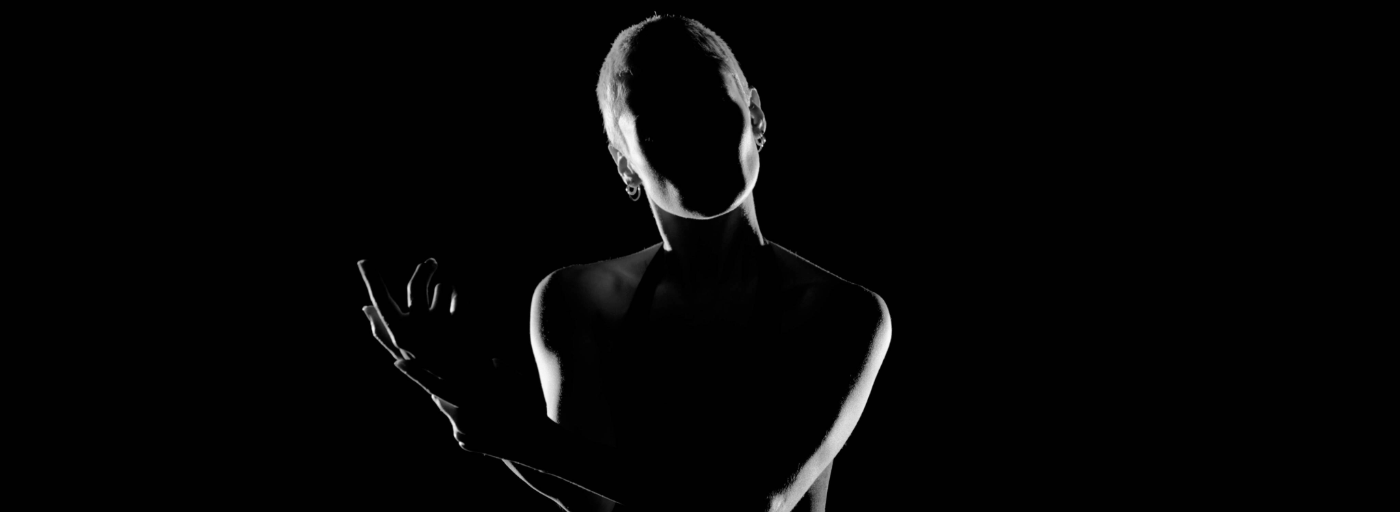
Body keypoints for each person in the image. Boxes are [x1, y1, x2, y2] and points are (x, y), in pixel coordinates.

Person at [357, 14, 891, 512]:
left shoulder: (843, 313)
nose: (695, 140)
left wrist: (521, 438)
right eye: (658, 129)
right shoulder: (578, 300)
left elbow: (753, 504)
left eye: (711, 107)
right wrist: (461, 394)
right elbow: (593, 503)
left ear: (755, 115)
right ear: (625, 165)